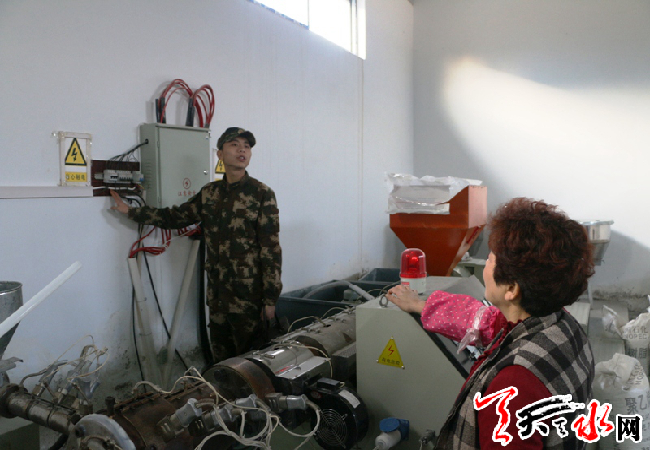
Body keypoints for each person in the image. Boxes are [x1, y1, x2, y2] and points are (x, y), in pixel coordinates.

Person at [387, 197, 595, 449]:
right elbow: (481, 320)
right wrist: (421, 305)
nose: (486, 264)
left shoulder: (512, 388)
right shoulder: (564, 325)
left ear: (511, 289)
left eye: (490, 259)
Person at [110, 127, 282, 363]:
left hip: (249, 296)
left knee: (252, 363)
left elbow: (271, 249)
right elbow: (176, 217)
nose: (242, 150)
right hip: (218, 295)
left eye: (246, 146)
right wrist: (131, 211)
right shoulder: (210, 193)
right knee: (221, 360)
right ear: (220, 154)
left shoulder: (262, 194)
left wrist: (270, 299)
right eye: (234, 145)